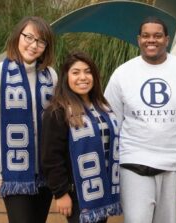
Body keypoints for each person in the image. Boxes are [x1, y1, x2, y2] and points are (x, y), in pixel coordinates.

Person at [104, 16, 176, 223]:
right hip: (134, 162)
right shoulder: (122, 74)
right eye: (146, 36)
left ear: (167, 39)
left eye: (157, 36)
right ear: (139, 39)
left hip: (175, 165)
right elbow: (112, 120)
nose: (151, 40)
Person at [41, 51, 122, 223]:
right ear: (66, 77)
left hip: (102, 191)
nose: (83, 77)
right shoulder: (58, 111)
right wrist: (60, 193)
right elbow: (51, 158)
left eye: (88, 71)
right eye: (76, 72)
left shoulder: (103, 108)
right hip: (77, 193)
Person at [0, 16, 57, 223]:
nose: (33, 45)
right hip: (13, 172)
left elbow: (56, 124)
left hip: (45, 172)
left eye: (40, 41)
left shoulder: (51, 76)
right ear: (17, 36)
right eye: (28, 37)